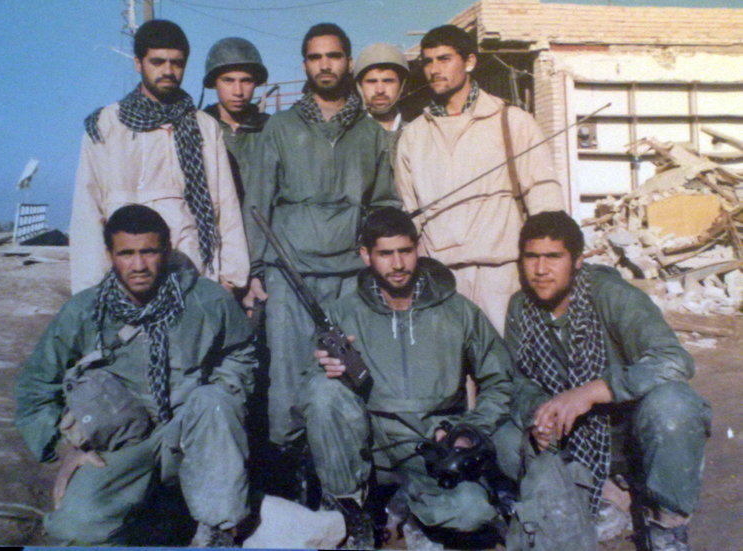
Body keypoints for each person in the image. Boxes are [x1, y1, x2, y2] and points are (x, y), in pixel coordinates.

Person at [15, 205, 257, 546]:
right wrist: (63, 449)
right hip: (121, 443)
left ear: (167, 251)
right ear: (110, 255)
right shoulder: (84, 311)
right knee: (75, 529)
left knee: (214, 401)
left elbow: (240, 351)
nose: (139, 265)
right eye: (126, 253)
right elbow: (35, 388)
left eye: (149, 251)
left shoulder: (207, 299)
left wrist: (220, 399)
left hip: (189, 434)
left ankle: (219, 527)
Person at [300, 207, 514, 548]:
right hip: (369, 442)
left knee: (472, 512)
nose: (398, 264)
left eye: (406, 251)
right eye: (386, 253)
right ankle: (350, 510)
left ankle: (408, 507)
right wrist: (329, 372)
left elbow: (500, 381)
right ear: (366, 255)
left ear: (419, 248)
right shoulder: (343, 312)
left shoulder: (458, 310)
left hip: (432, 443)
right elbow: (314, 392)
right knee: (322, 390)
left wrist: (468, 431)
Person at [242, 23, 400, 477]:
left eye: (333, 56)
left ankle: (348, 478)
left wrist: (375, 259)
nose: (325, 65)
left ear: (348, 61)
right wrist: (256, 270)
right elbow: (257, 203)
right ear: (305, 65)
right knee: (287, 382)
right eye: (315, 57)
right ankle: (294, 478)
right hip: (290, 273)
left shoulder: (370, 133)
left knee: (348, 374)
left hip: (351, 276)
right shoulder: (279, 128)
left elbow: (384, 203)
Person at [505, 211, 711, 551]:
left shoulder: (612, 295)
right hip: (573, 438)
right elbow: (517, 380)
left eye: (553, 257)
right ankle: (606, 494)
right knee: (503, 437)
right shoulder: (521, 307)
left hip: (631, 434)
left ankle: (667, 527)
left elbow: (674, 360)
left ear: (578, 261)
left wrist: (592, 391)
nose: (540, 269)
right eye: (531, 257)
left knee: (674, 406)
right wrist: (540, 412)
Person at [395, 24, 564, 335]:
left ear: (470, 61)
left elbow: (545, 201)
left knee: (505, 360)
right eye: (428, 61)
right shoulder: (413, 135)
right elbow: (410, 212)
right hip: (440, 280)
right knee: (448, 363)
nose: (434, 69)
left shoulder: (512, 121)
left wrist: (547, 267)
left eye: (444, 59)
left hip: (501, 276)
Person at [69, 19, 248, 296]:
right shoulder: (107, 124)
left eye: (176, 63)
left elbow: (226, 206)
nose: (168, 71)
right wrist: (90, 290)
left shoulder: (203, 126)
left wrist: (231, 279)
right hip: (125, 278)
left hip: (191, 271)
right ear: (138, 63)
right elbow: (87, 211)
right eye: (157, 62)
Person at [202, 37, 270, 205]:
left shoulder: (271, 130)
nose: (238, 91)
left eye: (246, 81)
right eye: (228, 80)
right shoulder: (199, 129)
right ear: (214, 83)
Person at [354, 43, 410, 161]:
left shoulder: (418, 133)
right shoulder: (348, 135)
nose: (379, 90)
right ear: (360, 86)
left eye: (388, 81)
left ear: (402, 86)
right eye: (371, 81)